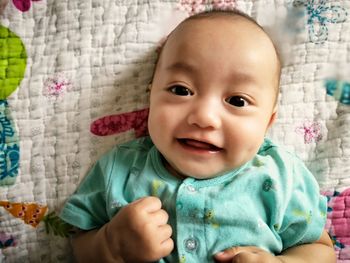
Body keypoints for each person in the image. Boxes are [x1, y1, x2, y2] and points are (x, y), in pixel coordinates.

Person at [60, 9, 336, 263]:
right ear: (151, 95)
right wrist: (112, 245)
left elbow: (321, 249)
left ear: (268, 122)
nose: (204, 117)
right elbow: (78, 242)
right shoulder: (120, 170)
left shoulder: (280, 177)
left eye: (237, 101)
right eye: (181, 90)